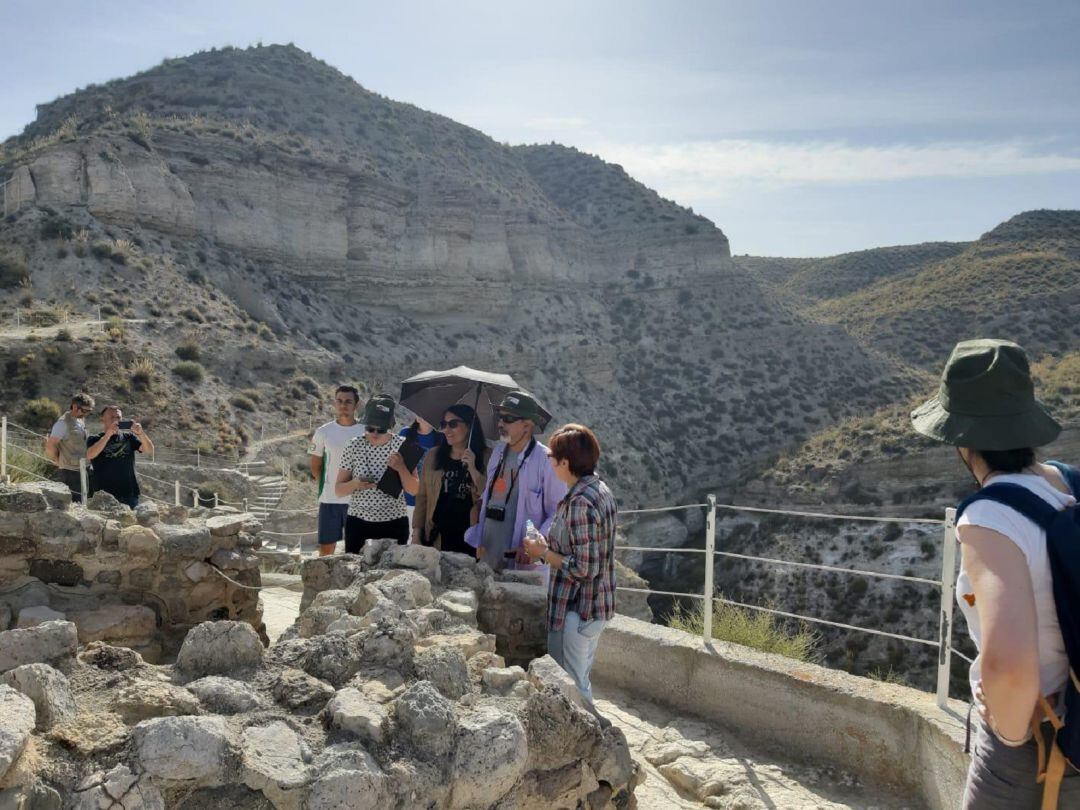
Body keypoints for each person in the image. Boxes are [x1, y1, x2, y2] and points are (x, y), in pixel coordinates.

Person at [911, 339, 1079, 807]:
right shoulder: (1067, 483)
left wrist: (1006, 740)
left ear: (961, 438)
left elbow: (1009, 668)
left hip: (1036, 742)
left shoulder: (988, 518)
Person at [523, 424, 617, 711]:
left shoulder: (579, 502)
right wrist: (546, 549)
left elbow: (583, 568)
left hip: (576, 610)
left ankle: (592, 744)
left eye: (552, 456)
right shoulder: (599, 490)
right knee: (580, 679)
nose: (549, 461)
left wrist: (542, 553)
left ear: (565, 462)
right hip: (595, 607)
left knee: (571, 687)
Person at [467, 390, 566, 572]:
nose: (500, 423)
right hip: (488, 557)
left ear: (527, 426)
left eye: (508, 419)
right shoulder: (498, 452)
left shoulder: (546, 460)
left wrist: (536, 544)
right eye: (499, 416)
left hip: (522, 566)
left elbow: (558, 512)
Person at [335, 394, 418, 553]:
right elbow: (338, 491)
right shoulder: (353, 446)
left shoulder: (403, 446)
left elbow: (414, 490)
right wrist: (355, 484)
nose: (374, 433)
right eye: (369, 428)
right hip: (358, 522)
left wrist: (401, 468)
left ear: (391, 427)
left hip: (394, 522)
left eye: (380, 429)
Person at [412, 405, 490, 554]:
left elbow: (491, 497)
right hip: (437, 539)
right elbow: (422, 498)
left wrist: (473, 469)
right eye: (443, 425)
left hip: (472, 543)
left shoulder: (487, 457)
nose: (446, 430)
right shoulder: (433, 456)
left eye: (453, 424)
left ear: (469, 426)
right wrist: (416, 534)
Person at [309, 385, 366, 556]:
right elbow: (315, 467)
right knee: (326, 549)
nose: (343, 405)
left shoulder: (365, 431)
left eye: (348, 401)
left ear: (356, 405)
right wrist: (329, 488)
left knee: (357, 551)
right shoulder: (323, 432)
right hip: (329, 501)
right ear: (335, 404)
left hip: (358, 501)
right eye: (340, 401)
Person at [86, 405, 154, 508]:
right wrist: (107, 436)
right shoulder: (94, 439)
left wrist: (141, 433)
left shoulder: (129, 437)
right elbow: (90, 454)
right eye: (111, 417)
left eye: (118, 417)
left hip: (129, 494)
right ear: (102, 419)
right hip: (104, 496)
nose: (115, 420)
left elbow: (149, 450)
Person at [45, 393, 94, 501]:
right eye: (84, 410)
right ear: (75, 406)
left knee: (85, 503)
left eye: (88, 411)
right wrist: (58, 461)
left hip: (84, 469)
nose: (85, 414)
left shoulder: (80, 421)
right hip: (70, 472)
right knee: (75, 504)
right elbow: (50, 445)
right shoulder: (62, 424)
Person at [399, 417, 440, 533]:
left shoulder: (441, 438)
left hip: (428, 503)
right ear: (417, 418)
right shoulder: (405, 433)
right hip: (404, 500)